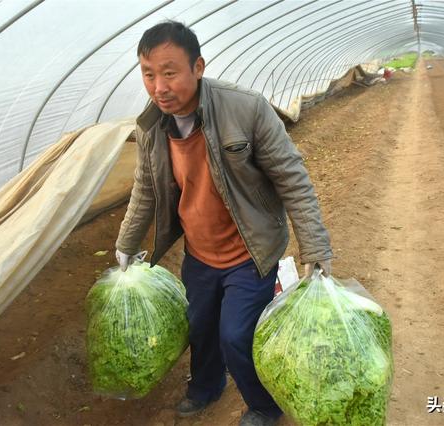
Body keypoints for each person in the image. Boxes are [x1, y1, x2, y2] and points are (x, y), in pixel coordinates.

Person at [115, 20, 333, 426]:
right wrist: (125, 244)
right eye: (148, 74)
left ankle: (263, 405)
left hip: (250, 250)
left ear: (197, 66)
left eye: (169, 72)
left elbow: (293, 179)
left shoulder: (245, 108)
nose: (158, 86)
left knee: (235, 334)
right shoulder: (150, 128)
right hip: (199, 251)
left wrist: (315, 249)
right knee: (199, 327)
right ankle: (206, 387)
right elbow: (146, 189)